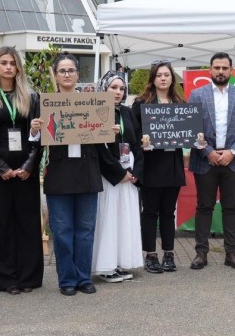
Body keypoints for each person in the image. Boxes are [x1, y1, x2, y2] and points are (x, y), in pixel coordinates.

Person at [44, 54, 128, 295]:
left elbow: (103, 143)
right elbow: (39, 141)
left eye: (71, 70)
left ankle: (83, 277)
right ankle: (67, 280)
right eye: (62, 71)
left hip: (88, 173)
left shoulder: (93, 102)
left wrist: (110, 132)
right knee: (61, 231)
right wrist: (35, 130)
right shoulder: (47, 103)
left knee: (85, 230)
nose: (67, 74)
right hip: (59, 174)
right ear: (56, 75)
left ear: (77, 75)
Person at [0, 46, 43, 295]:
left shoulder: (32, 97)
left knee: (26, 222)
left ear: (18, 67)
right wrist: (0, 167)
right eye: (4, 63)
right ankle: (5, 279)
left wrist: (28, 166)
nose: (9, 67)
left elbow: (39, 135)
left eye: (13, 63)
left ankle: (28, 277)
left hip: (25, 169)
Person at [188, 52, 235, 270]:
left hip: (232, 161)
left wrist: (233, 151)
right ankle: (201, 253)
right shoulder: (197, 95)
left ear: (231, 70)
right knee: (204, 207)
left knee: (231, 208)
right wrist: (208, 151)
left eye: (224, 68)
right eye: (216, 67)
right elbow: (191, 128)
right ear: (210, 70)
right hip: (204, 160)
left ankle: (231, 253)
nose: (220, 72)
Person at [131, 61, 186, 273]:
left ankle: (169, 254)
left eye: (166, 75)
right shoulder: (141, 103)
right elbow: (133, 135)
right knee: (150, 211)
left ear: (172, 78)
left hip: (172, 164)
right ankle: (151, 255)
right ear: (152, 79)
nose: (163, 78)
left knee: (168, 212)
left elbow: (189, 133)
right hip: (151, 164)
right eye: (159, 75)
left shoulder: (181, 104)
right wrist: (141, 143)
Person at [91, 71, 144, 282]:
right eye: (113, 87)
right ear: (104, 88)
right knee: (109, 220)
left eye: (121, 89)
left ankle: (121, 262)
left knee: (125, 220)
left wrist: (135, 172)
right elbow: (98, 148)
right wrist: (118, 173)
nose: (118, 92)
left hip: (129, 177)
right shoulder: (97, 111)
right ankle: (105, 266)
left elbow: (138, 143)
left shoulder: (128, 112)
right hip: (111, 178)